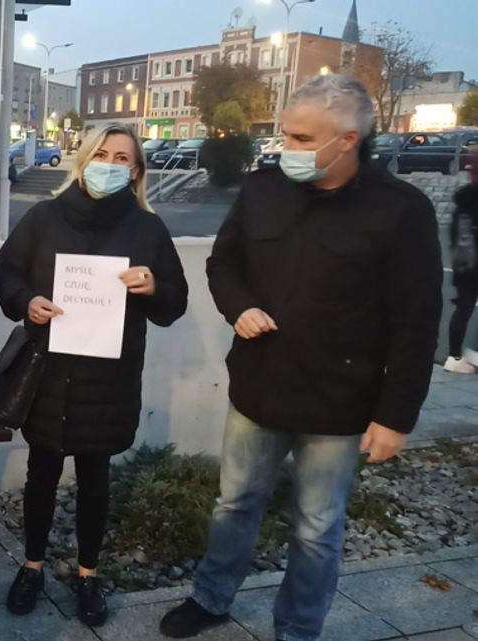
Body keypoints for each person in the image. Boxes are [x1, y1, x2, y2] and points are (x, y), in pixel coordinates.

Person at [160, 74, 442, 641]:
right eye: (284, 136)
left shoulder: (401, 210)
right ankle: (211, 599)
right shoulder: (263, 189)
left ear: (346, 141)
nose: (284, 148)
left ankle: (297, 629)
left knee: (316, 527)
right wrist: (238, 307)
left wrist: (395, 416)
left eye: (299, 138)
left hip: (340, 401)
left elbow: (417, 319)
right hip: (259, 387)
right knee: (235, 503)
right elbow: (224, 263)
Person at [0, 122, 188, 627]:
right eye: (102, 153)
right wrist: (25, 302)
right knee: (42, 473)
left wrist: (153, 286)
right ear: (82, 159)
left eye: (123, 158)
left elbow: (175, 305)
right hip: (49, 372)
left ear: (136, 170)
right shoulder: (44, 217)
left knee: (96, 478)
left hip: (111, 376)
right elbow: (7, 273)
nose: (111, 164)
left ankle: (88, 573)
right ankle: (32, 567)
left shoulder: (148, 229)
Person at [444, 151, 478, 374]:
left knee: (464, 309)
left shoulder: (464, 199)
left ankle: (455, 355)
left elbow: (453, 233)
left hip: (465, 264)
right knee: (464, 309)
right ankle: (458, 356)